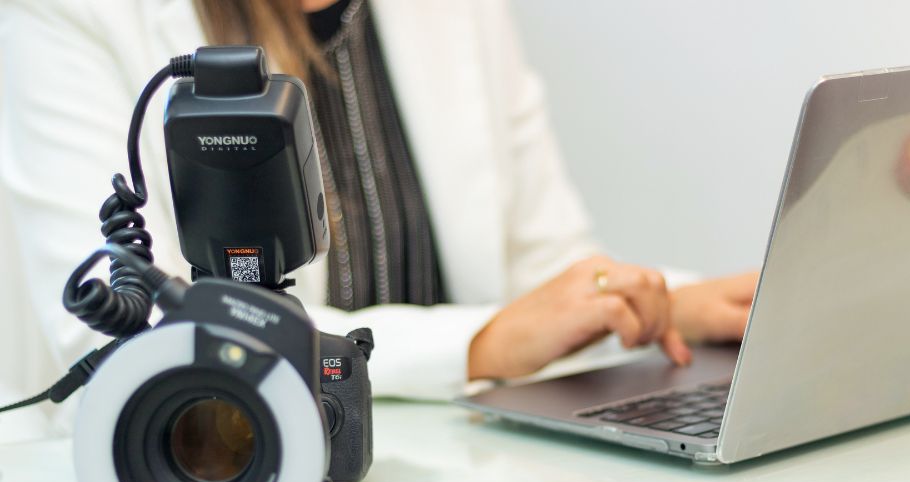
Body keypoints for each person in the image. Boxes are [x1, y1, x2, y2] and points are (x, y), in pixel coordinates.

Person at [0, 0, 756, 422]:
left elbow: (543, 266)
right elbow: (137, 346)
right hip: (230, 481)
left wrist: (649, 305)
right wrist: (479, 343)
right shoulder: (69, 13)